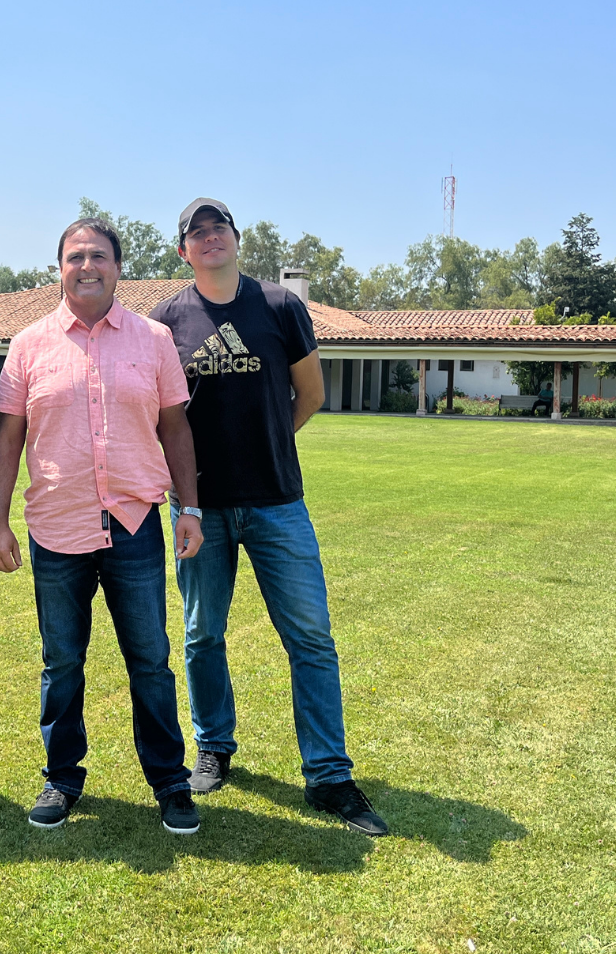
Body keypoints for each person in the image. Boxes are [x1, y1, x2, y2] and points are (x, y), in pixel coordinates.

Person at [148, 197, 388, 836]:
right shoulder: (165, 321)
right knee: (202, 633)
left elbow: (310, 394)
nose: (210, 238)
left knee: (310, 637)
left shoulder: (280, 306)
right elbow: (158, 415)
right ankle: (213, 747)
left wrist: (269, 443)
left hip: (278, 502)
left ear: (236, 238)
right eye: (197, 233)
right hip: (199, 508)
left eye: (219, 228)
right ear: (183, 251)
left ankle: (329, 775)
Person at [0, 217, 205, 835]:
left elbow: (175, 428)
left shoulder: (154, 339)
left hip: (135, 524)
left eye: (99, 256)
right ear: (59, 268)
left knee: (151, 660)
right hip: (57, 528)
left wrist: (190, 508)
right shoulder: (28, 345)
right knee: (61, 663)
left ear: (118, 267)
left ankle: (170, 782)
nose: (88, 267)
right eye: (76, 257)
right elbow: (8, 438)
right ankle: (61, 778)